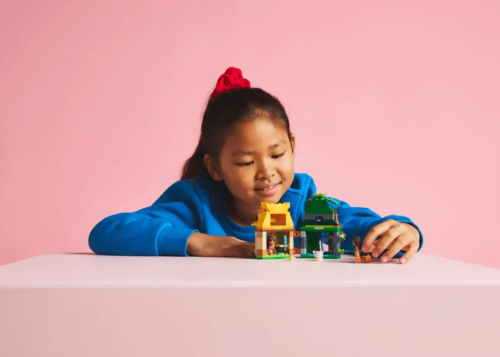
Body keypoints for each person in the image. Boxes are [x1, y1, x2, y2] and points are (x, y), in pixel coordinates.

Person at [88, 67, 423, 263]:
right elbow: (106, 233)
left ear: (292, 146)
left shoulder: (304, 203)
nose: (266, 173)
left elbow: (361, 225)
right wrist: (206, 243)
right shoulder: (195, 203)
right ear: (215, 167)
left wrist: (402, 229)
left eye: (277, 155)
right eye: (246, 161)